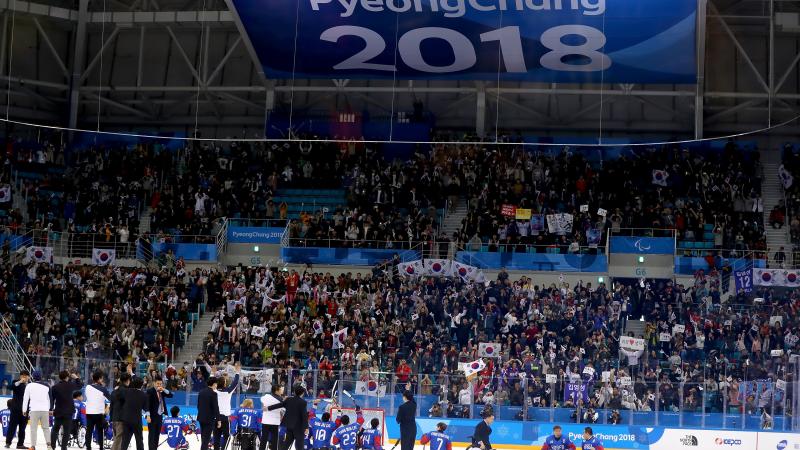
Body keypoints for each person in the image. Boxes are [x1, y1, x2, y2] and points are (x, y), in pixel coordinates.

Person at [267, 385, 308, 450]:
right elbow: (304, 415)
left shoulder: (289, 399)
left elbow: (280, 405)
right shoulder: (303, 402)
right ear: (302, 393)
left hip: (289, 425)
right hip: (298, 427)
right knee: (300, 445)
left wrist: (268, 408)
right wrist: (306, 427)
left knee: (287, 443)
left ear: (294, 392)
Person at [49, 371, 82, 450]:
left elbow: (52, 399)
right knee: (67, 430)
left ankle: (52, 447)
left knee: (55, 429)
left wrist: (50, 409)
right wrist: (76, 378)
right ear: (67, 377)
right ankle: (64, 447)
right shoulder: (70, 385)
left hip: (58, 411)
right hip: (68, 411)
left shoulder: (55, 387)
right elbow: (80, 386)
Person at [22, 369, 51, 450]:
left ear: (33, 377)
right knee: (46, 428)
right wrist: (48, 409)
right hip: (44, 409)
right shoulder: (46, 386)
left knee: (33, 428)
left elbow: (25, 399)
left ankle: (33, 446)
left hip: (34, 409)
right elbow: (48, 399)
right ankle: (49, 444)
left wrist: (24, 410)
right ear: (41, 377)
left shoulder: (29, 386)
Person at [214, 365, 241, 450]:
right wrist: (237, 372)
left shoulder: (215, 391)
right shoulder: (228, 391)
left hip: (215, 417)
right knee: (227, 436)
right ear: (225, 383)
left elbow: (210, 384)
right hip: (225, 418)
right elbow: (235, 382)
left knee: (216, 437)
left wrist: (212, 373)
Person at [85, 371, 113, 450]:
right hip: (99, 413)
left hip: (89, 412)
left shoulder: (87, 387)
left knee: (89, 431)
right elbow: (111, 399)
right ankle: (101, 447)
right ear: (100, 379)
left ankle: (88, 447)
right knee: (100, 430)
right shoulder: (103, 389)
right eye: (102, 378)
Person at [119, 378, 148, 450]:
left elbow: (121, 400)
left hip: (126, 419)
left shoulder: (127, 392)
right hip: (137, 421)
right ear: (141, 386)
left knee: (125, 441)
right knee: (139, 440)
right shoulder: (143, 395)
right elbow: (146, 408)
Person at [146, 379, 174, 450]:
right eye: (158, 383)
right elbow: (147, 404)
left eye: (160, 384)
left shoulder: (162, 391)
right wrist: (147, 415)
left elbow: (170, 395)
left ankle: (155, 448)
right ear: (154, 383)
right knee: (152, 435)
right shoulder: (150, 391)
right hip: (152, 416)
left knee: (157, 434)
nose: (159, 385)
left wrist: (164, 389)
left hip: (159, 416)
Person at [6, 370, 29, 449]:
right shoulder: (16, 382)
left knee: (22, 428)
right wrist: (19, 382)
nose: (24, 377)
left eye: (25, 376)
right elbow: (9, 387)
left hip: (25, 411)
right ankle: (8, 442)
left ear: (28, 377)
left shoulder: (29, 385)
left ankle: (20, 444)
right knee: (12, 426)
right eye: (22, 376)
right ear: (20, 376)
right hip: (15, 409)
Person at [197, 377, 221, 450]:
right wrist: (219, 420)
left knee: (203, 438)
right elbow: (216, 408)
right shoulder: (213, 393)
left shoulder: (201, 392)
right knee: (206, 440)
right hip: (209, 419)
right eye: (216, 384)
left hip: (201, 418)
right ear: (214, 384)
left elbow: (198, 405)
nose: (216, 385)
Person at [109, 372, 131, 450]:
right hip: (121, 419)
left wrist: (111, 418)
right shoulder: (125, 391)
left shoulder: (114, 391)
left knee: (117, 439)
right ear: (128, 380)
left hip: (114, 418)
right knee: (119, 440)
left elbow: (111, 406)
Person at [259, 385, 284, 450]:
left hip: (265, 421)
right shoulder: (281, 400)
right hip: (275, 422)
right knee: (274, 440)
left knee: (263, 439)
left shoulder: (266, 396)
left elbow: (261, 400)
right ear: (276, 391)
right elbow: (283, 409)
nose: (282, 391)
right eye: (281, 389)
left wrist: (264, 405)